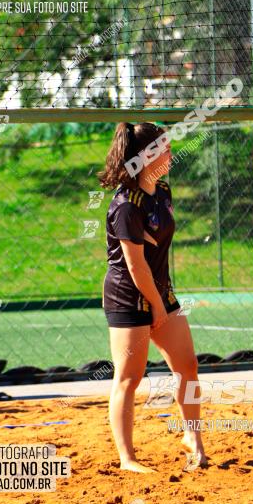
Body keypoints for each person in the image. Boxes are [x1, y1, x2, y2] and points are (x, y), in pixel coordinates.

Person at [98, 122, 207, 473]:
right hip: (129, 297)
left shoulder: (161, 192)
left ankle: (193, 437)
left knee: (187, 365)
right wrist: (156, 307)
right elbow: (135, 266)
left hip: (160, 291)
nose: (171, 152)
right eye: (164, 147)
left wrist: (162, 302)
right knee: (129, 378)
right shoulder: (126, 206)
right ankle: (127, 459)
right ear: (145, 156)